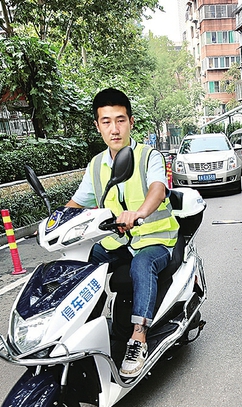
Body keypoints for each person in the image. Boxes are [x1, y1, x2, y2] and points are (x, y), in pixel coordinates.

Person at [64, 88, 179, 378]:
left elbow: (157, 188)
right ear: (97, 125)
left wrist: (139, 213)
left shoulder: (147, 156)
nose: (114, 129)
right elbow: (78, 202)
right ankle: (74, 331)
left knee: (141, 266)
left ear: (130, 122)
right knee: (80, 265)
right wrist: (57, 221)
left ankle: (138, 339)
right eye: (106, 121)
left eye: (120, 120)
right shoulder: (96, 165)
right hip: (117, 241)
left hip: (155, 239)